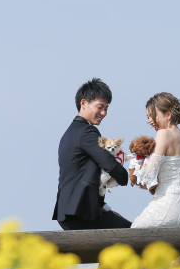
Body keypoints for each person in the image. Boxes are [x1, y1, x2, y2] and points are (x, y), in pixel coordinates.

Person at [53, 78, 131, 230]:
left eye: (106, 108)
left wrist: (107, 210)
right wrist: (125, 176)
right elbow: (108, 163)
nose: (103, 113)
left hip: (71, 211)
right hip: (81, 212)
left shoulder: (70, 133)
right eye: (100, 107)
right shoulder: (87, 131)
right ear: (83, 103)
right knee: (136, 235)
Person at [133, 92, 180, 228]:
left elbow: (147, 177)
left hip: (167, 208)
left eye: (153, 116)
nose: (151, 121)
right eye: (148, 117)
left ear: (168, 115)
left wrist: (136, 163)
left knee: (134, 232)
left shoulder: (163, 133)